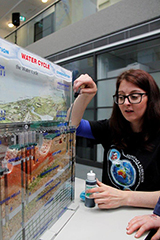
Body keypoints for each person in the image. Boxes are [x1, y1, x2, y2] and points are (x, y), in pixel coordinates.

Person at [67, 69, 160, 209]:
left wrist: (124, 198)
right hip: (107, 214)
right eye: (121, 97)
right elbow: (72, 125)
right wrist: (86, 95)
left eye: (134, 96)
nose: (126, 103)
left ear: (151, 98)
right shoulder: (112, 127)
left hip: (142, 218)